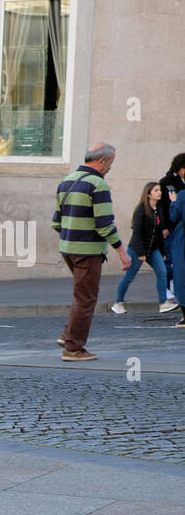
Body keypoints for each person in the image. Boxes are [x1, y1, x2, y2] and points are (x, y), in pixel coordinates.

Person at [51, 142, 128, 362]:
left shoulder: (66, 181)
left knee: (80, 295)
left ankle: (68, 334)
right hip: (88, 251)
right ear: (102, 161)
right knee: (86, 299)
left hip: (68, 249)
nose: (111, 167)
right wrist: (122, 252)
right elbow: (105, 225)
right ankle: (73, 348)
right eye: (111, 162)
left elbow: (56, 223)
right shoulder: (98, 184)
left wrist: (72, 239)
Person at [110, 182, 176, 315]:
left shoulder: (158, 209)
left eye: (159, 190)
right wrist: (140, 253)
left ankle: (163, 303)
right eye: (156, 190)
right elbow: (137, 232)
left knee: (162, 272)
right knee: (130, 276)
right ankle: (118, 303)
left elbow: (159, 231)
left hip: (153, 249)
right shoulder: (141, 210)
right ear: (148, 194)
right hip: (137, 249)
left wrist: (163, 232)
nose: (160, 192)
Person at [157, 153, 185, 300]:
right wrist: (163, 227)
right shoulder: (166, 182)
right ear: (180, 168)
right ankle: (167, 288)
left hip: (181, 227)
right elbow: (161, 206)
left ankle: (176, 286)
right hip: (171, 227)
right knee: (169, 259)